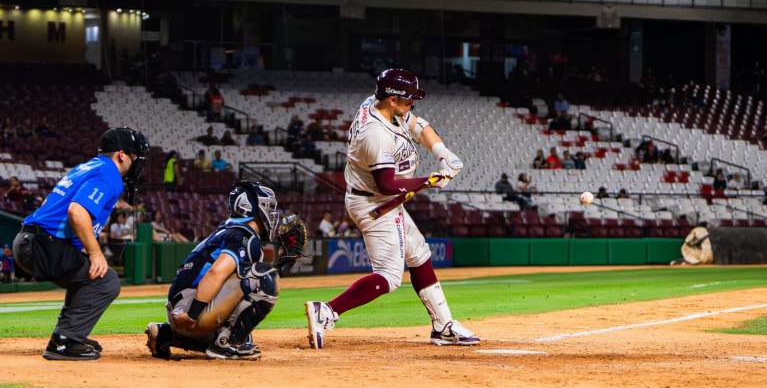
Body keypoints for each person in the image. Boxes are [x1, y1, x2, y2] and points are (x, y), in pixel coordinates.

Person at [304, 68, 479, 349]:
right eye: (408, 100)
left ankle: (443, 325)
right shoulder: (375, 133)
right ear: (392, 99)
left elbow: (419, 126)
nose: (412, 104)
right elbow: (386, 183)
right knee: (388, 276)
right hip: (375, 203)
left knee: (420, 254)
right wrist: (431, 180)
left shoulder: (382, 107)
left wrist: (443, 153)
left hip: (382, 200)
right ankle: (327, 311)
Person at [12, 127, 148, 360]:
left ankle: (68, 334)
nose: (136, 163)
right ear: (122, 155)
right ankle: (64, 342)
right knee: (106, 281)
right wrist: (95, 253)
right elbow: (77, 211)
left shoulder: (86, 167)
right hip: (43, 245)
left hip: (30, 241)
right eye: (135, 156)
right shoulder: (109, 174)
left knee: (87, 276)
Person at [145, 181, 302, 360]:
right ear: (248, 207)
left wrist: (283, 264)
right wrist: (192, 314)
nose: (272, 214)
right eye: (268, 207)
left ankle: (165, 334)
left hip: (180, 307)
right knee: (265, 278)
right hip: (191, 309)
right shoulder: (243, 235)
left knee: (243, 333)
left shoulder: (229, 230)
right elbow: (216, 273)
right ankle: (225, 345)